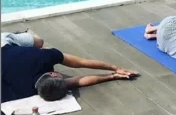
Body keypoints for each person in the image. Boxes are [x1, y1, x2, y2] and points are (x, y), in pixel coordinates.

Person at [1, 44, 138, 103]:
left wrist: (114, 71)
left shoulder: (43, 57)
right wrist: (113, 73)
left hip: (7, 48)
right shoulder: (25, 90)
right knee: (36, 42)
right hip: (9, 50)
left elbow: (80, 65)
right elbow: (79, 74)